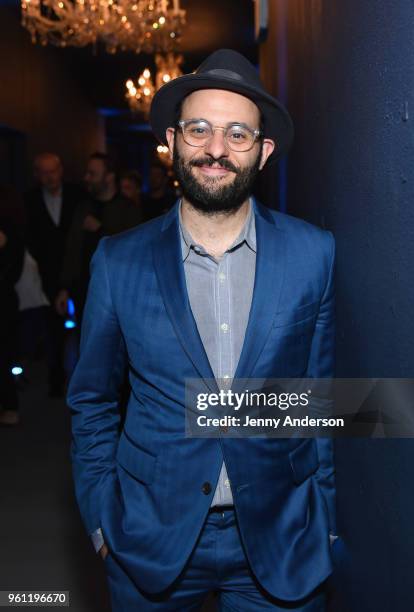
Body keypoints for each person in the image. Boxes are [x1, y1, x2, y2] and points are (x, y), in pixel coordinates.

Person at [68, 49, 337, 610]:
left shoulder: (314, 254)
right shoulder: (118, 261)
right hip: (147, 539)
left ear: (262, 153)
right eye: (200, 129)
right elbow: (91, 400)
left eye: (238, 134)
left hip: (282, 538)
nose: (216, 149)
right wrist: (101, 527)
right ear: (173, 139)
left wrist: (327, 523)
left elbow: (318, 403)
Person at [55, 152, 142, 324]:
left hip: (117, 296)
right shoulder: (83, 207)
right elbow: (72, 249)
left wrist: (101, 230)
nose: (87, 178)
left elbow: (133, 250)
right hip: (84, 293)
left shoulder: (127, 209)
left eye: (92, 174)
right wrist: (64, 288)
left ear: (109, 177)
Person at [24, 153, 82, 396]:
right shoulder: (30, 200)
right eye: (44, 172)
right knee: (53, 330)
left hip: (79, 271)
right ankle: (56, 379)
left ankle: (84, 382)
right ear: (37, 175)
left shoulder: (78, 196)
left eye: (53, 171)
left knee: (85, 327)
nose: (49, 177)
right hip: (47, 273)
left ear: (61, 171)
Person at [0, 203, 25, 426]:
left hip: (4, 301)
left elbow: (13, 269)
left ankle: (10, 404)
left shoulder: (8, 228)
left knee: (4, 354)